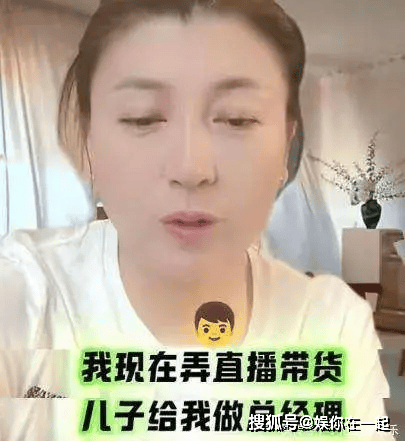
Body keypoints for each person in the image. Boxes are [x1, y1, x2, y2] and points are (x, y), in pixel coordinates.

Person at [0, 0, 394, 439]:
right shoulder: (28, 297)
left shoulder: (334, 327)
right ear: (90, 141)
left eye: (237, 119)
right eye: (143, 118)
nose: (191, 168)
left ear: (285, 147)